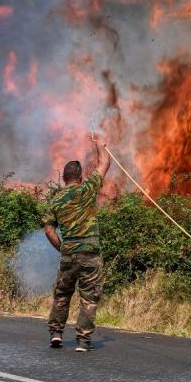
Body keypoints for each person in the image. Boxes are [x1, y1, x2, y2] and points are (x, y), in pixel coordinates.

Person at [42, 136, 111, 352]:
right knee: (89, 298)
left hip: (69, 254)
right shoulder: (87, 189)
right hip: (90, 254)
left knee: (62, 294)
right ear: (80, 177)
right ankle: (83, 341)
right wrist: (100, 144)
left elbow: (48, 229)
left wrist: (62, 247)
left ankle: (56, 334)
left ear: (64, 178)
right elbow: (105, 163)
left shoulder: (56, 200)